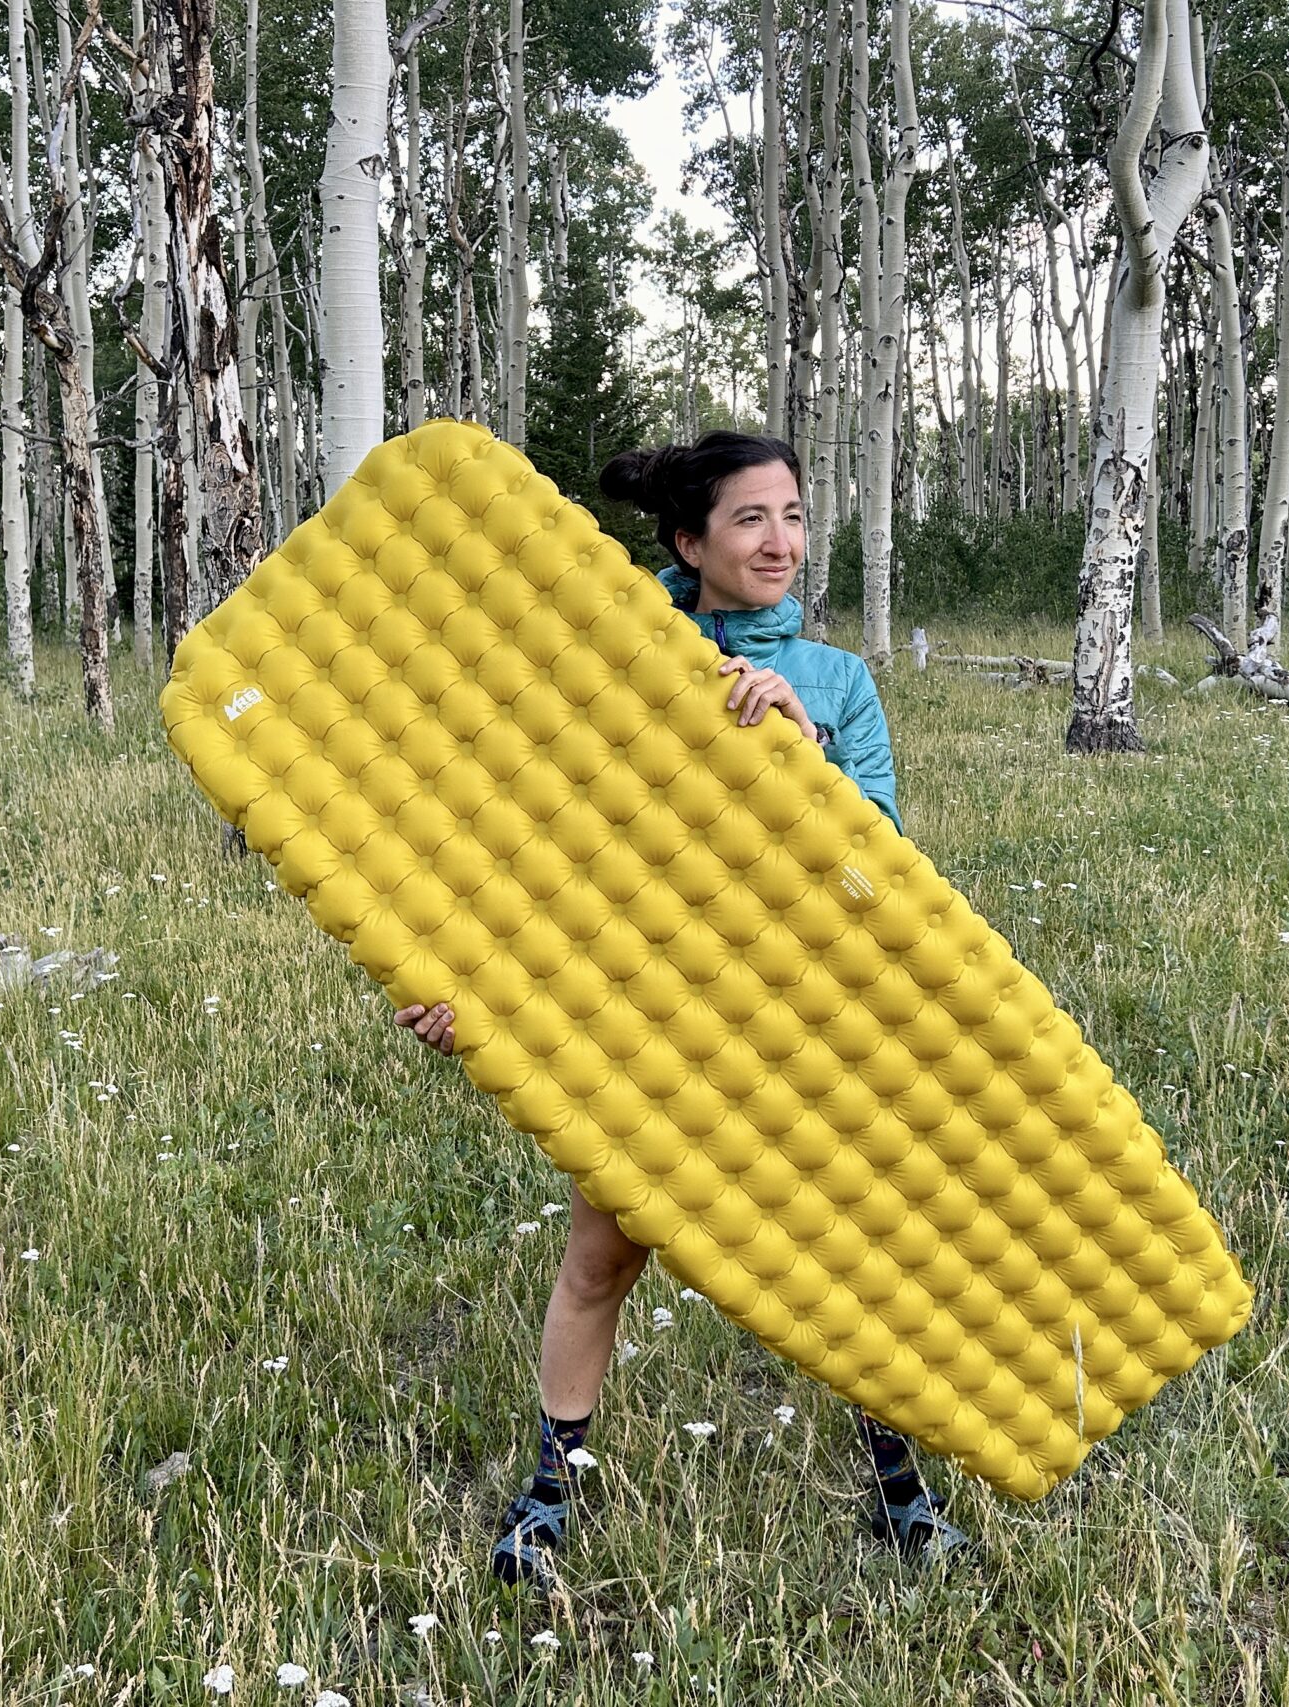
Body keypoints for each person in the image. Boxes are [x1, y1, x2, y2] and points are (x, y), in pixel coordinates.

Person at [392, 430, 971, 1590]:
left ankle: (900, 1489)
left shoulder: (836, 684)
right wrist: (460, 986)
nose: (781, 541)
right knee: (602, 1256)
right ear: (687, 540)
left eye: (794, 515)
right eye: (751, 518)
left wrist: (804, 755)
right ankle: (550, 1491)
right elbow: (533, 856)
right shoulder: (611, 668)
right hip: (642, 1019)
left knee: (848, 1259)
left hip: (801, 1014)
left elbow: (881, 878)